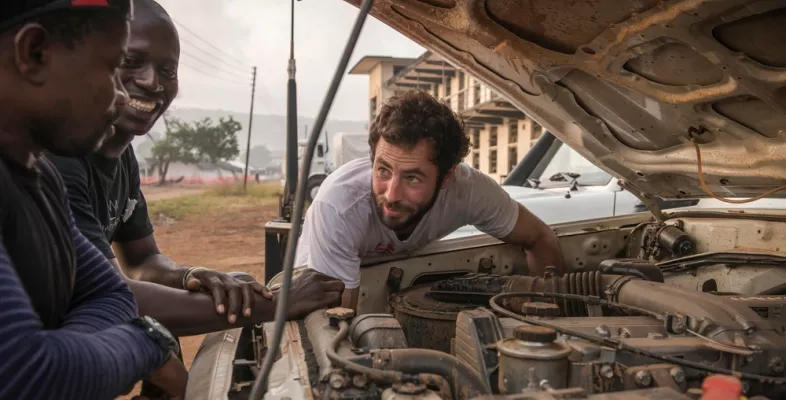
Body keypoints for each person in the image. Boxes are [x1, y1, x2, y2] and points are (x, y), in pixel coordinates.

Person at [48, 0, 344, 340]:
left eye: (168, 70)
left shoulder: (123, 158)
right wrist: (276, 304)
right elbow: (110, 295)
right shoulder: (60, 160)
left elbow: (143, 260)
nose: (152, 82)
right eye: (131, 61)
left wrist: (193, 274)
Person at [0, 1, 187, 398]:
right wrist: (146, 345)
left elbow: (111, 294)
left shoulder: (40, 177)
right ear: (33, 53)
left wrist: (68, 354)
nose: (121, 95)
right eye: (111, 68)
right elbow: (27, 375)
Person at [295, 90, 564, 309]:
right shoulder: (338, 207)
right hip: (315, 293)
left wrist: (547, 314)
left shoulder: (468, 189)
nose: (391, 195)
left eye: (412, 178)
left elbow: (541, 239)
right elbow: (336, 323)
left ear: (447, 177)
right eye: (383, 170)